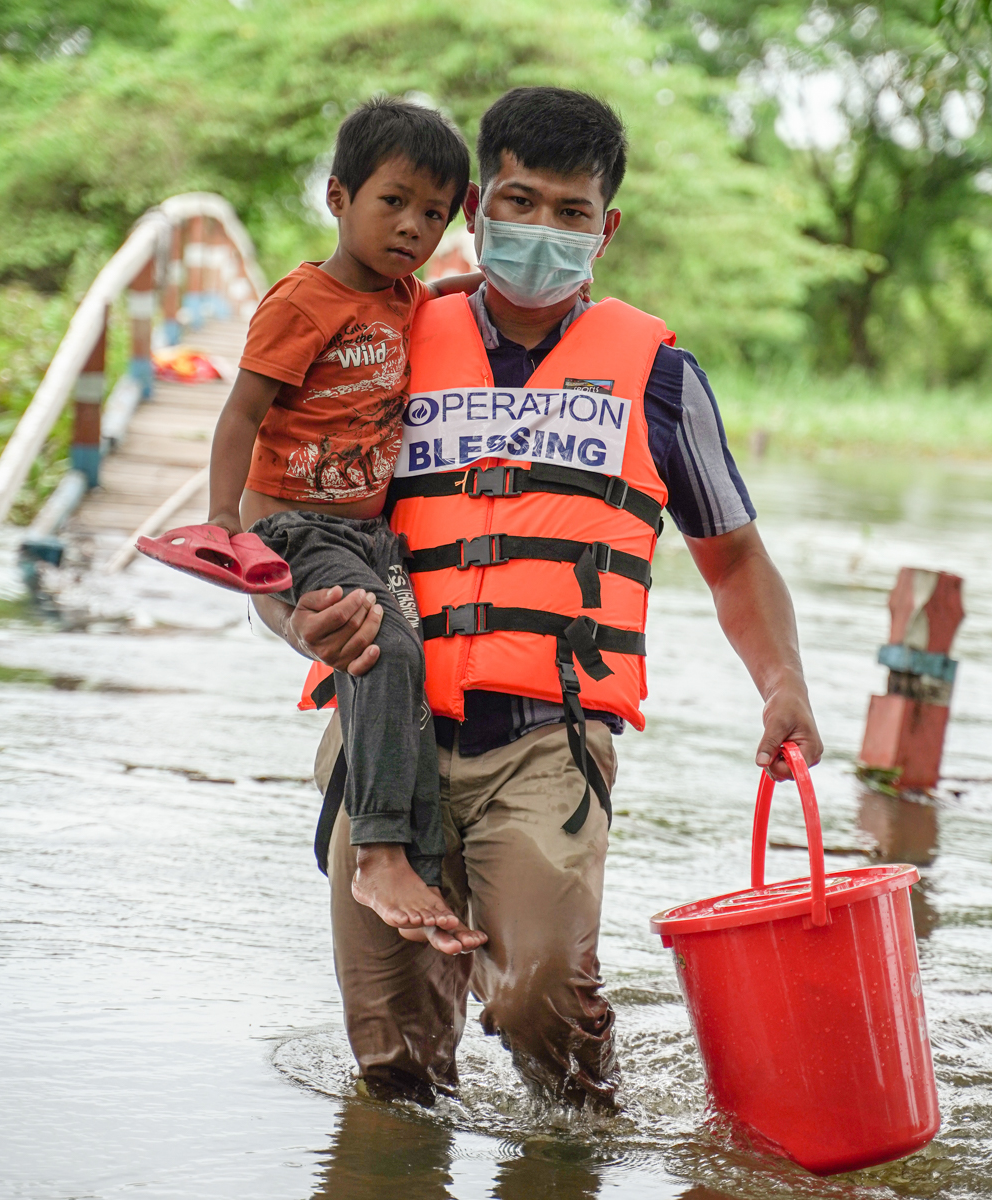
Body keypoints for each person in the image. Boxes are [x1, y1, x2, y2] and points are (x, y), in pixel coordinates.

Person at [254, 87, 822, 1109]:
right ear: (477, 209)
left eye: (572, 212)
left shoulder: (660, 377)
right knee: (393, 1061)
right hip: (386, 735)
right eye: (520, 202)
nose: (544, 228)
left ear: (607, 229)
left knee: (541, 1005)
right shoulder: (379, 340)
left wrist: (784, 686)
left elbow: (734, 558)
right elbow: (285, 522)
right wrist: (295, 621)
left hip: (546, 740)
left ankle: (580, 1138)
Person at [207, 97, 487, 955]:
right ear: (338, 196)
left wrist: (475, 289)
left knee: (413, 664)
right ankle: (378, 853)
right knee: (380, 650)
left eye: (434, 214)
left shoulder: (404, 297)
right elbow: (240, 413)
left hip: (365, 534)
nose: (413, 227)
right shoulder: (302, 301)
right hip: (296, 525)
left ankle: (419, 859)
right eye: (393, 202)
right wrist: (222, 523)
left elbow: (427, 298)